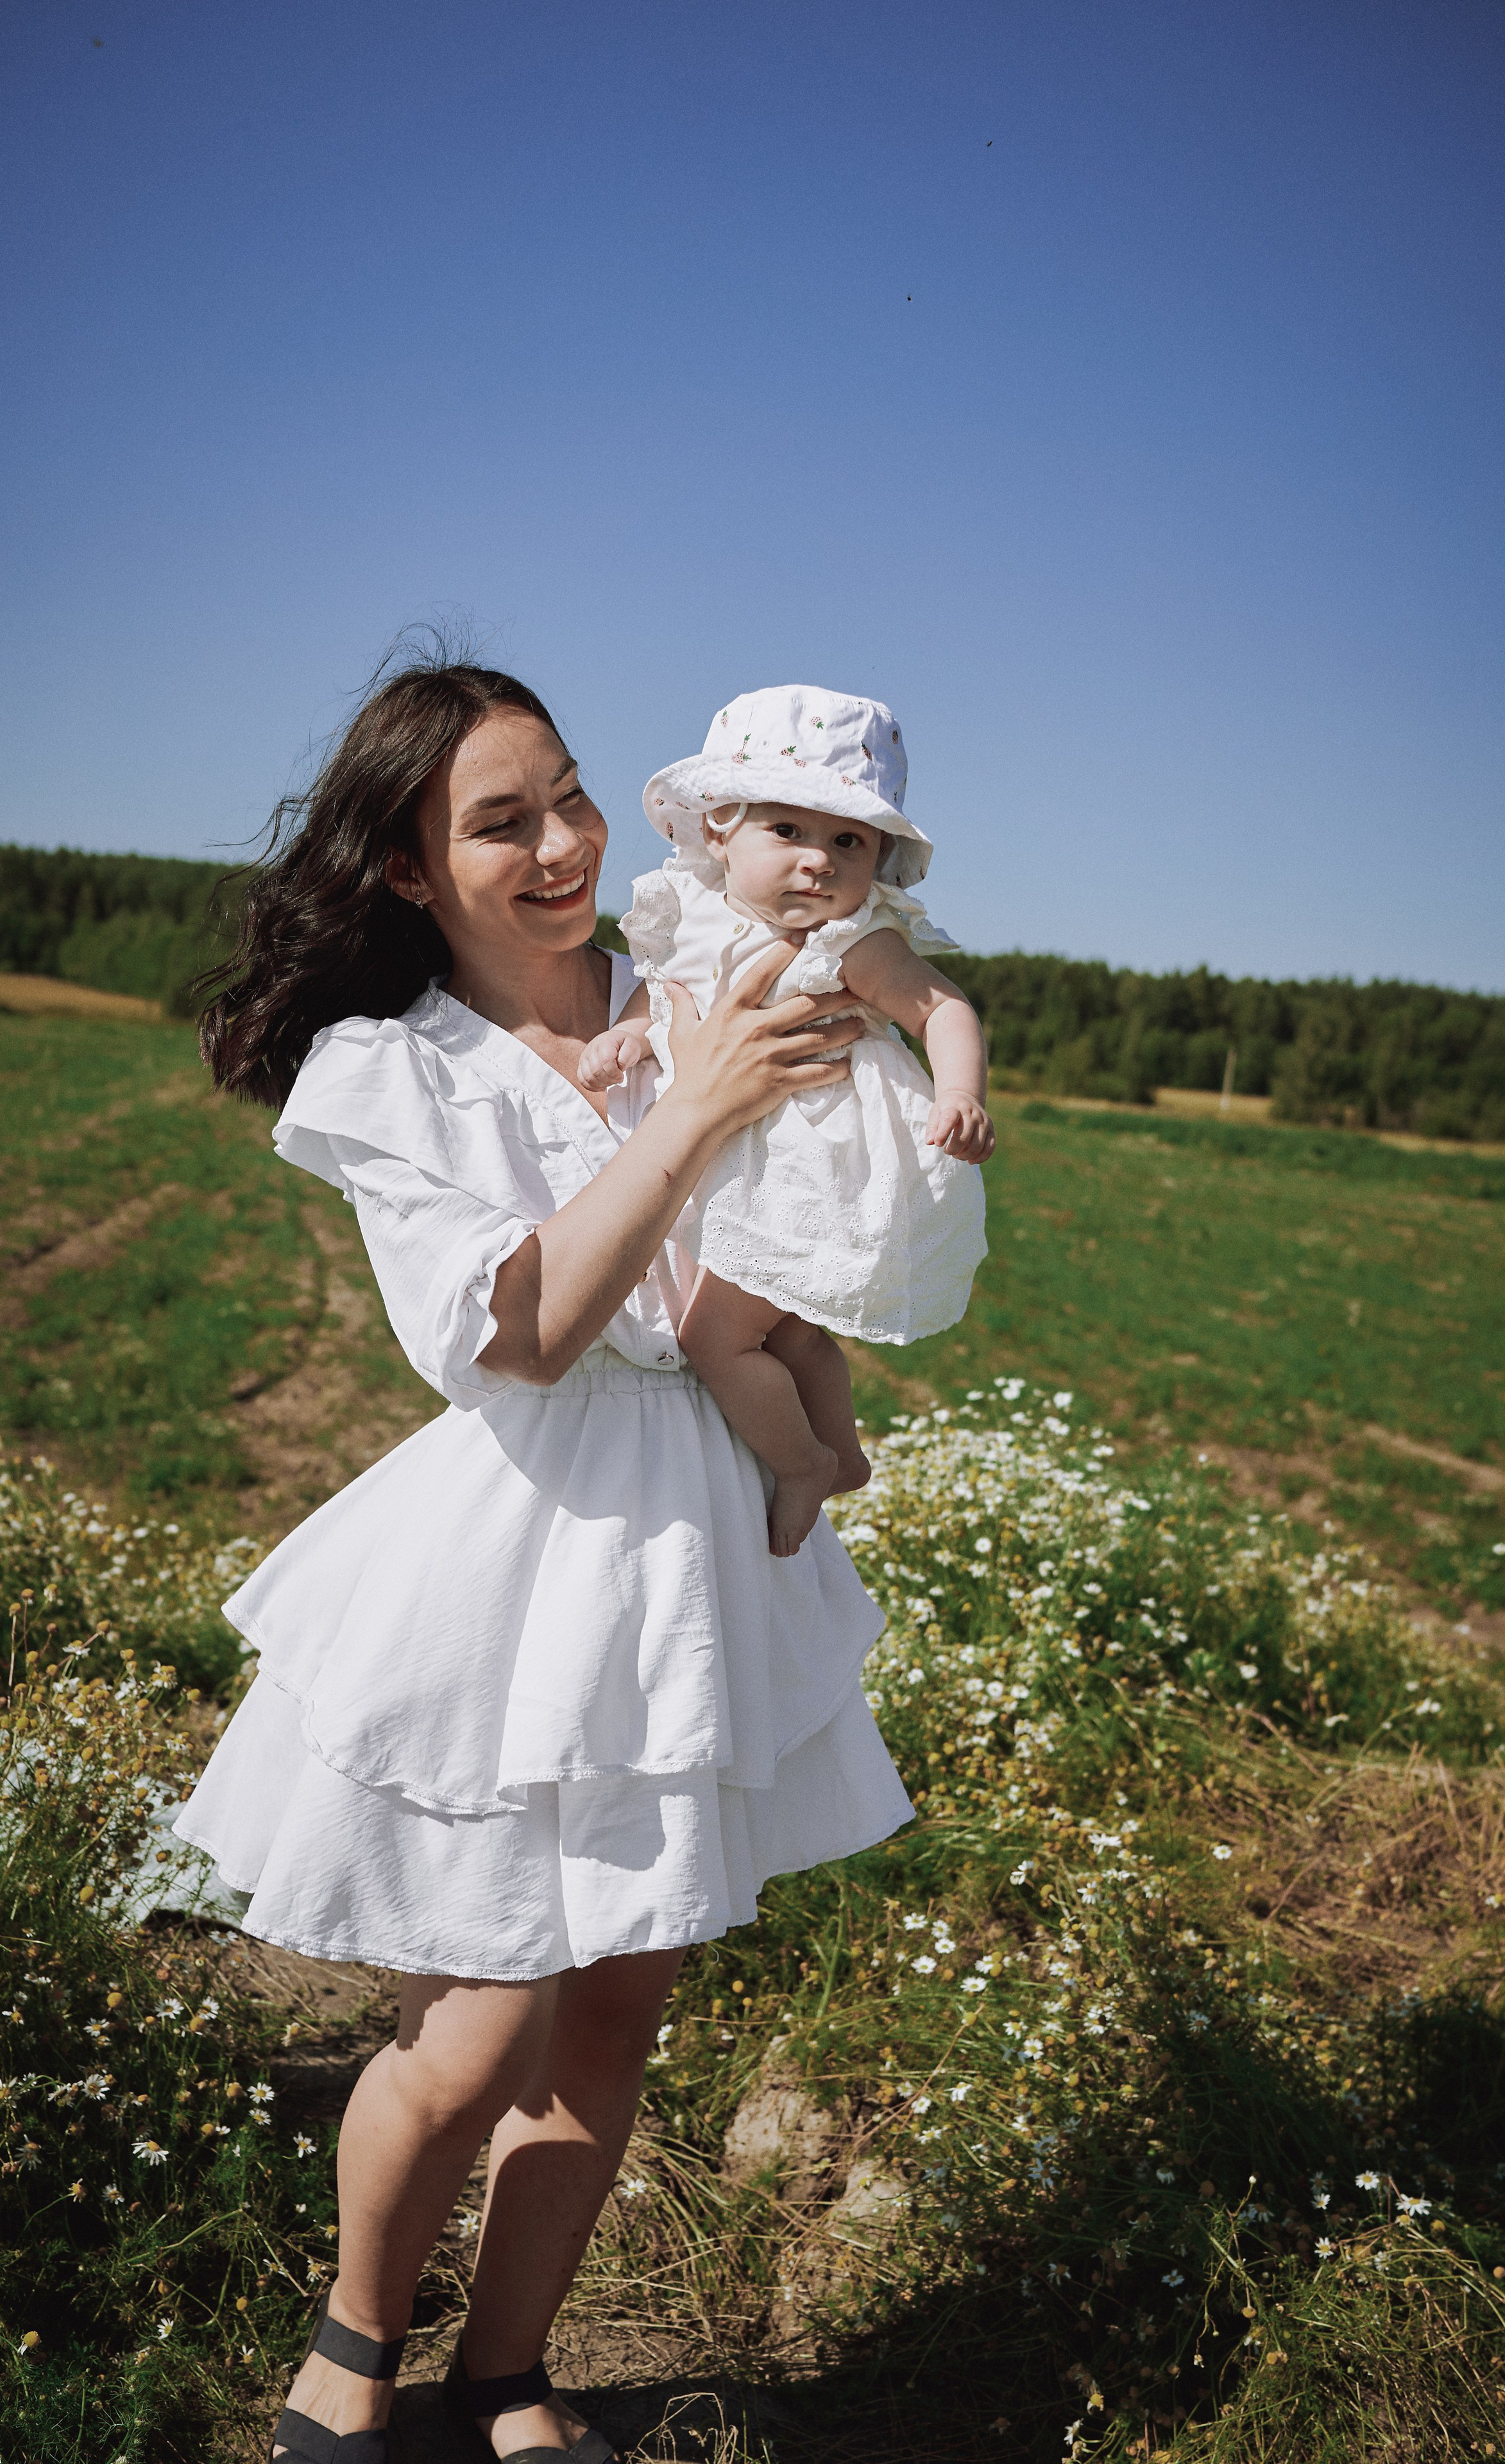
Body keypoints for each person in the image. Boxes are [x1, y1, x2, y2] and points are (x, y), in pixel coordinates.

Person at [174, 656, 915, 2464]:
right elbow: (528, 1335)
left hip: (697, 1548)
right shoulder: (389, 1072)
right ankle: (355, 2341)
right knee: (477, 2027)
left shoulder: (696, 973)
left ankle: (507, 2372)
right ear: (414, 871)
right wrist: (695, 1111)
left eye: (572, 797)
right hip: (528, 1546)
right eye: (502, 822)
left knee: (612, 2023)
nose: (565, 843)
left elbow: (855, 1154)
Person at [578, 684, 993, 1559]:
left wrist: (960, 1092)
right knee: (795, 1331)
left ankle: (802, 1462)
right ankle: (842, 1453)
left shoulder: (852, 941)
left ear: (878, 856)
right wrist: (628, 1039)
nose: (818, 861)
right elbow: (668, 999)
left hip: (810, 1172)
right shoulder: (687, 911)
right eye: (788, 831)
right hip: (744, 1153)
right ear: (720, 828)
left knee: (715, 1338)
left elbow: (943, 1009)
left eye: (848, 841)